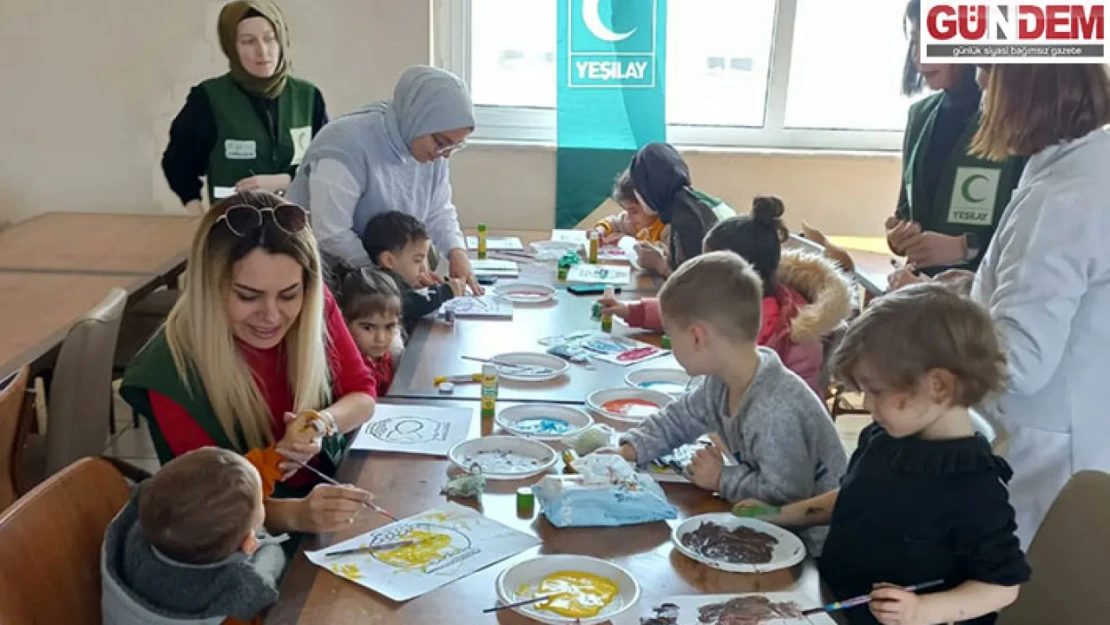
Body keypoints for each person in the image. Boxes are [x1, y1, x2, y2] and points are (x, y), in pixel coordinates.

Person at [740, 285, 1029, 625]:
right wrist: (778, 514)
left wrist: (922, 610)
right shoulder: (883, 438)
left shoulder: (974, 487)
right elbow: (856, 496)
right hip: (831, 604)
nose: (866, 405)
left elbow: (1002, 586)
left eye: (875, 391)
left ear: (938, 385)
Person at [120, 191, 377, 535]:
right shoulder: (169, 371)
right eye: (247, 296)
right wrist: (297, 516)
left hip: (321, 500)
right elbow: (209, 507)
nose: (271, 316)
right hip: (241, 537)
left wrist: (322, 423)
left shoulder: (316, 306)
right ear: (209, 287)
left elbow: (362, 393)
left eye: (288, 295)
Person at [599, 252, 847, 551]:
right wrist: (631, 449)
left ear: (696, 338)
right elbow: (679, 419)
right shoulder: (723, 379)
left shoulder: (774, 408)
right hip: (768, 529)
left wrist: (721, 479)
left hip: (809, 550)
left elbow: (786, 497)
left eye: (670, 335)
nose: (671, 344)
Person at [965, 63, 1110, 549]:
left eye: (987, 69)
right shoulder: (1090, 162)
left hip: (1048, 449)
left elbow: (1019, 360)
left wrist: (937, 327)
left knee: (1024, 594)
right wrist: (974, 288)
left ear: (1028, 83)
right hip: (1087, 425)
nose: (979, 82)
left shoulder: (1061, 196)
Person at [600, 197, 852, 397]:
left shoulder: (797, 334)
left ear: (738, 272)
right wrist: (629, 310)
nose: (703, 273)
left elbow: (799, 411)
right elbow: (684, 309)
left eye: (710, 265)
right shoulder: (726, 297)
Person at [286, 65, 481, 293]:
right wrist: (389, 279)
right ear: (418, 119)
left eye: (454, 146)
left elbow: (438, 210)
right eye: (441, 143)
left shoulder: (428, 149)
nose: (445, 154)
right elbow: (331, 234)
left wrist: (457, 252)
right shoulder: (346, 145)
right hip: (325, 282)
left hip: (383, 282)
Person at [885, 0, 1025, 276]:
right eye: (915, 43)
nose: (919, 58)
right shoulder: (920, 116)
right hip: (919, 290)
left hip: (985, 297)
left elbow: (1033, 235)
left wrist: (967, 247)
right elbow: (905, 210)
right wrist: (899, 236)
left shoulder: (1019, 121)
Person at [162, 1, 328, 213]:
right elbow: (178, 163)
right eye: (248, 41)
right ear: (232, 47)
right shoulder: (209, 99)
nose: (262, 51)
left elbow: (328, 165)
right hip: (234, 230)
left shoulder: (308, 97)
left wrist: (283, 180)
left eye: (270, 38)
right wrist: (198, 219)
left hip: (296, 230)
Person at [102, 448, 286, 625]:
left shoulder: (148, 525)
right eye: (261, 503)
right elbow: (266, 577)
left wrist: (276, 457)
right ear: (249, 545)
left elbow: (227, 490)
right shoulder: (233, 597)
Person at [619, 142, 726, 277]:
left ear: (649, 189)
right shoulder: (687, 203)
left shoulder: (687, 219)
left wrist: (660, 264)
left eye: (638, 188)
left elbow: (692, 285)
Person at [361, 211, 465, 334]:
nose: (423, 269)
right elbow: (408, 305)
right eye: (417, 260)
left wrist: (425, 288)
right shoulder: (377, 286)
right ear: (388, 260)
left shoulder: (396, 280)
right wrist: (445, 291)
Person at [336, 266, 403, 397]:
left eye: (389, 327)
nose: (381, 338)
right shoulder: (343, 368)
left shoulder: (386, 357)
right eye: (368, 327)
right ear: (344, 323)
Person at [591, 169, 670, 246]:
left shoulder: (668, 231)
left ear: (653, 204)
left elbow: (663, 257)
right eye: (626, 210)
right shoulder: (635, 223)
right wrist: (600, 230)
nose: (628, 219)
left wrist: (627, 242)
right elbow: (614, 222)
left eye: (634, 212)